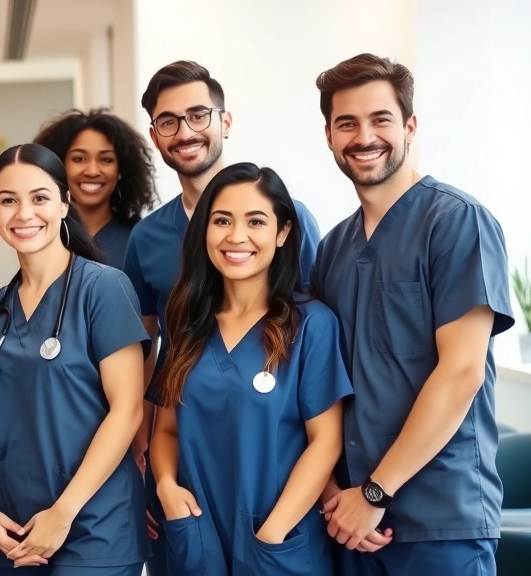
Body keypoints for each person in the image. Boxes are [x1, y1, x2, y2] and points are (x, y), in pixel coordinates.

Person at [312, 53, 514, 576]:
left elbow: (462, 373)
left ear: (409, 126)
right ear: (329, 136)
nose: (364, 136)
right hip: (351, 522)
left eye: (380, 119)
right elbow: (321, 380)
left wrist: (377, 491)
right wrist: (335, 491)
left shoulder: (456, 223)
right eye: (347, 123)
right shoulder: (333, 247)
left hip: (439, 520)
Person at [123, 60, 324, 576]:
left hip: (275, 503)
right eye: (169, 121)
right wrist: (154, 469)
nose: (238, 237)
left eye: (198, 115)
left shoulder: (298, 241)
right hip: (193, 491)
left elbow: (321, 414)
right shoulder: (153, 251)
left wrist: (281, 526)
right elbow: (146, 352)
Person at [149, 162, 352, 575]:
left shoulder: (310, 325)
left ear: (282, 233)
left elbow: (326, 442)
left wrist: (273, 534)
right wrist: (166, 486)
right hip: (198, 534)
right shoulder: (187, 322)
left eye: (255, 221)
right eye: (221, 220)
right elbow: (166, 430)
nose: (236, 236)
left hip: (277, 540)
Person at [0, 143, 150, 576]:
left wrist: (63, 512)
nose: (24, 213)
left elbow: (127, 411)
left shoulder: (103, 289)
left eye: (40, 197)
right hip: (15, 525)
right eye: (8, 201)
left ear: (65, 203)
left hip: (95, 524)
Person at [33, 107, 158, 269]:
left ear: (122, 169)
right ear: (59, 166)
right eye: (79, 159)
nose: (92, 171)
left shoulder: (141, 240)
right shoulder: (41, 235)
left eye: (106, 160)